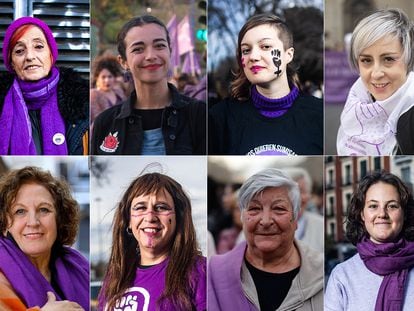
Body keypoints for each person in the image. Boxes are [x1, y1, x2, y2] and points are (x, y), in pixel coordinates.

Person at [208, 168, 323, 310]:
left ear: (295, 219)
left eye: (279, 209)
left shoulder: (323, 274)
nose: (266, 220)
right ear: (242, 217)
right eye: (255, 208)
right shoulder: (214, 272)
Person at [209, 13, 323, 155]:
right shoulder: (219, 118)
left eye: (266, 46)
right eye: (246, 50)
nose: (253, 57)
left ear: (288, 55)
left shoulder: (320, 114)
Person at [91, 15, 206, 155]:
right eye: (138, 49)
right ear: (123, 62)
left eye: (159, 46)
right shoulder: (105, 123)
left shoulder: (200, 115)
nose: (151, 55)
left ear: (170, 51)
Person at [98, 172, 206, 310]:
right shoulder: (115, 277)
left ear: (179, 218)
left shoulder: (200, 271)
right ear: (128, 221)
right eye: (140, 207)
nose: (150, 217)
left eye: (161, 207)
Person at [0, 166, 89, 310]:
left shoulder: (80, 266)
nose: (33, 222)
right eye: (20, 211)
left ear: (59, 219)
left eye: (43, 210)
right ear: (5, 224)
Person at [325, 171, 414, 310]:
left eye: (392, 206)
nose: (382, 214)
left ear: (404, 213)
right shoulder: (342, 276)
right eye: (373, 206)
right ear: (362, 214)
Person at [0, 16, 89, 155]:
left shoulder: (82, 103)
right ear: (11, 62)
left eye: (39, 47)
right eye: (19, 51)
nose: (30, 56)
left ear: (51, 54)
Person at [337, 9, 414, 155]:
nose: (376, 73)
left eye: (389, 59)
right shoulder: (355, 105)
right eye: (366, 60)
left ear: (408, 59)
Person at [90, 55, 126, 124]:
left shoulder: (119, 92)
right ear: (97, 78)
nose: (107, 80)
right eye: (103, 77)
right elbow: (97, 120)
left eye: (110, 76)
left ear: (114, 78)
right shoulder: (94, 95)